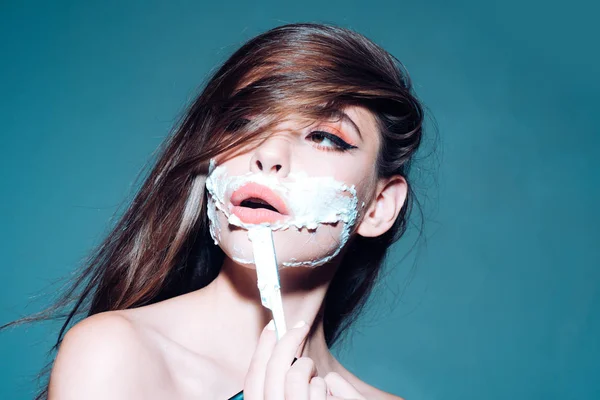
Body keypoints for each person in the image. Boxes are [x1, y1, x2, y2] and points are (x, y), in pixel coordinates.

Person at [29, 22, 425, 399]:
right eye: (243, 123)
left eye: (323, 136)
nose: (267, 153)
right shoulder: (116, 354)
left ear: (379, 207)